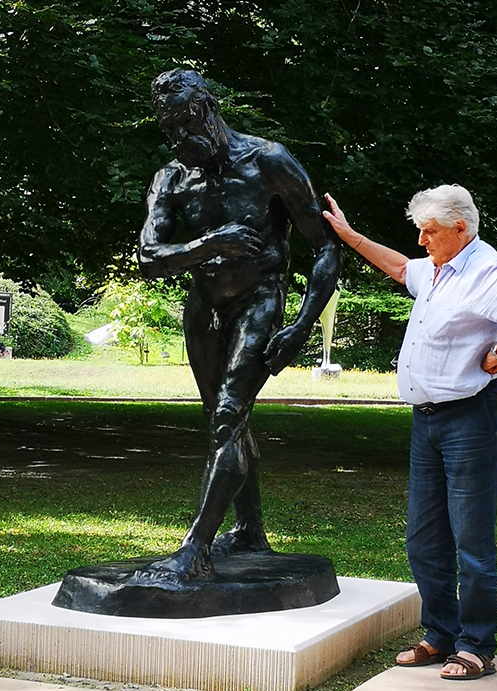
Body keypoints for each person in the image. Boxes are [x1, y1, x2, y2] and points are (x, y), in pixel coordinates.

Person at [323, 185, 497, 680]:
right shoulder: (437, 268)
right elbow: (403, 268)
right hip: (427, 418)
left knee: (470, 537)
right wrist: (349, 235)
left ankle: (475, 646)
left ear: (460, 230)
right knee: (424, 537)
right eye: (419, 231)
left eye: (429, 232)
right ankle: (439, 634)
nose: (422, 240)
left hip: (472, 415)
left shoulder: (487, 270)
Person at [137, 69, 341, 582]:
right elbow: (148, 256)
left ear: (208, 107)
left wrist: (299, 327)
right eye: (170, 130)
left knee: (229, 413)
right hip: (203, 308)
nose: (180, 139)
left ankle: (194, 550)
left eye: (186, 123)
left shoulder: (268, 161)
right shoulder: (172, 179)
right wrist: (209, 244)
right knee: (222, 420)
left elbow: (325, 247)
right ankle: (249, 529)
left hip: (260, 299)